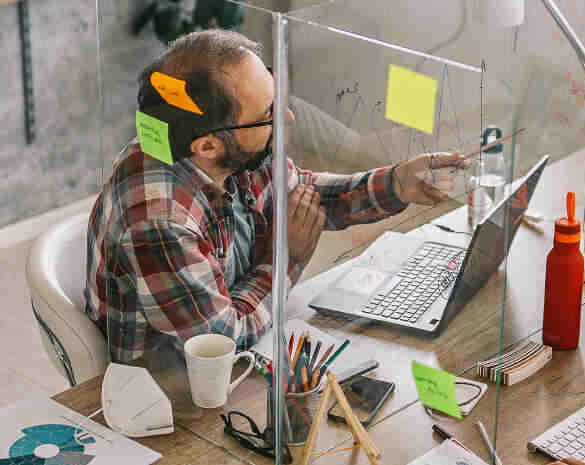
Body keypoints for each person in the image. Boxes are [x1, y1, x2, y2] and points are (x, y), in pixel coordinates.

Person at [83, 29, 467, 362]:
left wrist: (398, 182)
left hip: (243, 343)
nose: (287, 118)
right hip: (173, 387)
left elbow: (301, 196)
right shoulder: (158, 220)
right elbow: (222, 342)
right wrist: (287, 259)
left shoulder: (230, 150)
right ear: (209, 147)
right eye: (269, 112)